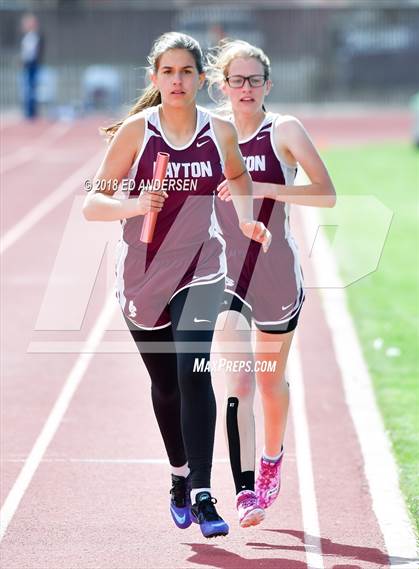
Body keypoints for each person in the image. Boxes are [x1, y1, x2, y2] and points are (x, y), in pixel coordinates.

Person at [82, 32, 271, 539]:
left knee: (194, 373)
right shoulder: (136, 133)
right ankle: (179, 477)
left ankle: (207, 495)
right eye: (168, 72)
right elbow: (91, 202)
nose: (178, 80)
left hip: (202, 269)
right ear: (154, 79)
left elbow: (237, 177)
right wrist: (135, 205)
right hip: (143, 276)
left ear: (200, 79)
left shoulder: (220, 131)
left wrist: (248, 218)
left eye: (186, 71)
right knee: (166, 386)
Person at [206, 39, 336, 528]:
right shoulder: (209, 132)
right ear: (222, 84)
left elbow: (326, 194)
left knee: (268, 380)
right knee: (238, 377)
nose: (245, 89)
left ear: (268, 84)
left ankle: (272, 459)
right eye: (236, 80)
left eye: (254, 80)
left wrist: (265, 188)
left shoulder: (284, 130)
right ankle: (244, 493)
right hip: (224, 276)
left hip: (276, 271)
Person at [20, 13, 43, 119]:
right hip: (28, 65)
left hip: (32, 65)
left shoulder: (34, 36)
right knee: (28, 89)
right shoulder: (27, 37)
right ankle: (29, 111)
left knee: (31, 89)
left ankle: (31, 112)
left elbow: (33, 52)